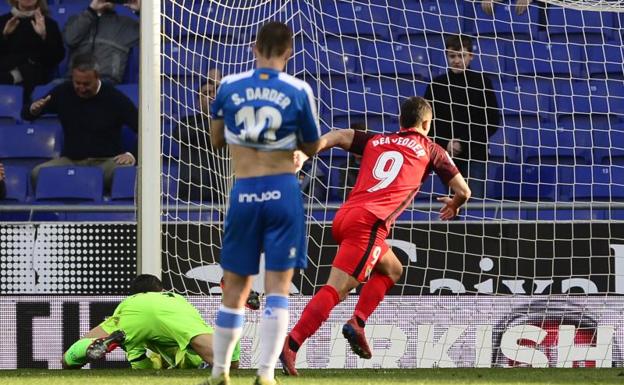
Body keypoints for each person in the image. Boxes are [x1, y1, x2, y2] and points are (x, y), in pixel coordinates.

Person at [280, 96, 471, 376]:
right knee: (337, 289)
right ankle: (291, 344)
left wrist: (308, 152)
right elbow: (464, 191)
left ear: (401, 121)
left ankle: (358, 321)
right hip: (370, 224)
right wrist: (455, 204)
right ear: (427, 123)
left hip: (346, 215)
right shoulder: (432, 150)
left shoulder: (377, 140)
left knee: (393, 268)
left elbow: (340, 135)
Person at [205, 21, 321, 385]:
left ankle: (220, 371)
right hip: (283, 191)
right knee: (277, 289)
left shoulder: (229, 86)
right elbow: (313, 145)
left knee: (236, 288)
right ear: (289, 52)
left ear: (253, 48)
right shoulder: (299, 89)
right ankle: (266, 373)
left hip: (245, 190)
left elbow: (216, 140)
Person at [62, 274, 243, 370]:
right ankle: (232, 312)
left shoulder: (129, 304)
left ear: (133, 295)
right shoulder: (175, 299)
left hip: (134, 317)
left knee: (68, 359)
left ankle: (89, 349)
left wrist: (85, 346)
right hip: (173, 316)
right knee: (229, 363)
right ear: (162, 290)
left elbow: (142, 367)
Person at [22, 53, 138, 190]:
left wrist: (132, 155)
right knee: (38, 174)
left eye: (86, 84)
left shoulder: (115, 98)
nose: (81, 88)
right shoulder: (63, 92)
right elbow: (26, 114)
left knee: (125, 172)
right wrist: (32, 110)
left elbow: (144, 130)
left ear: (97, 77)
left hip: (105, 164)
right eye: (77, 83)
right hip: (71, 162)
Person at [424, 34, 500, 198]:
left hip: (476, 156)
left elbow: (491, 121)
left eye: (461, 55)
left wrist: (463, 142)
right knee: (451, 207)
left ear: (470, 56)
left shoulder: (482, 82)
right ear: (446, 56)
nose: (457, 60)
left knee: (475, 209)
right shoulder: (436, 85)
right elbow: (428, 123)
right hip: (446, 156)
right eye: (452, 56)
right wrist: (447, 143)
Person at [174, 68, 226, 202]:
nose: (212, 96)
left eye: (217, 93)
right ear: (198, 103)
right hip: (196, 194)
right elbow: (181, 135)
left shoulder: (235, 119)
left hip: (229, 191)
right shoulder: (187, 123)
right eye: (207, 93)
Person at [0, 0, 65, 103]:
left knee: (31, 70)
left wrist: (43, 36)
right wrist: (4, 36)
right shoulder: (3, 21)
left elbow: (56, 57)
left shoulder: (49, 24)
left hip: (35, 75)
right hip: (6, 70)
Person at [63, 0, 140, 84]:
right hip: (73, 80)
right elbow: (70, 39)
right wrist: (91, 11)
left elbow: (153, 35)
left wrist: (140, 11)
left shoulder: (125, 24)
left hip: (105, 81)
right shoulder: (76, 19)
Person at [335, 122, 366, 199]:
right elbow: (342, 193)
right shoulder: (345, 168)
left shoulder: (377, 164)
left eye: (361, 142)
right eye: (355, 142)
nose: (358, 146)